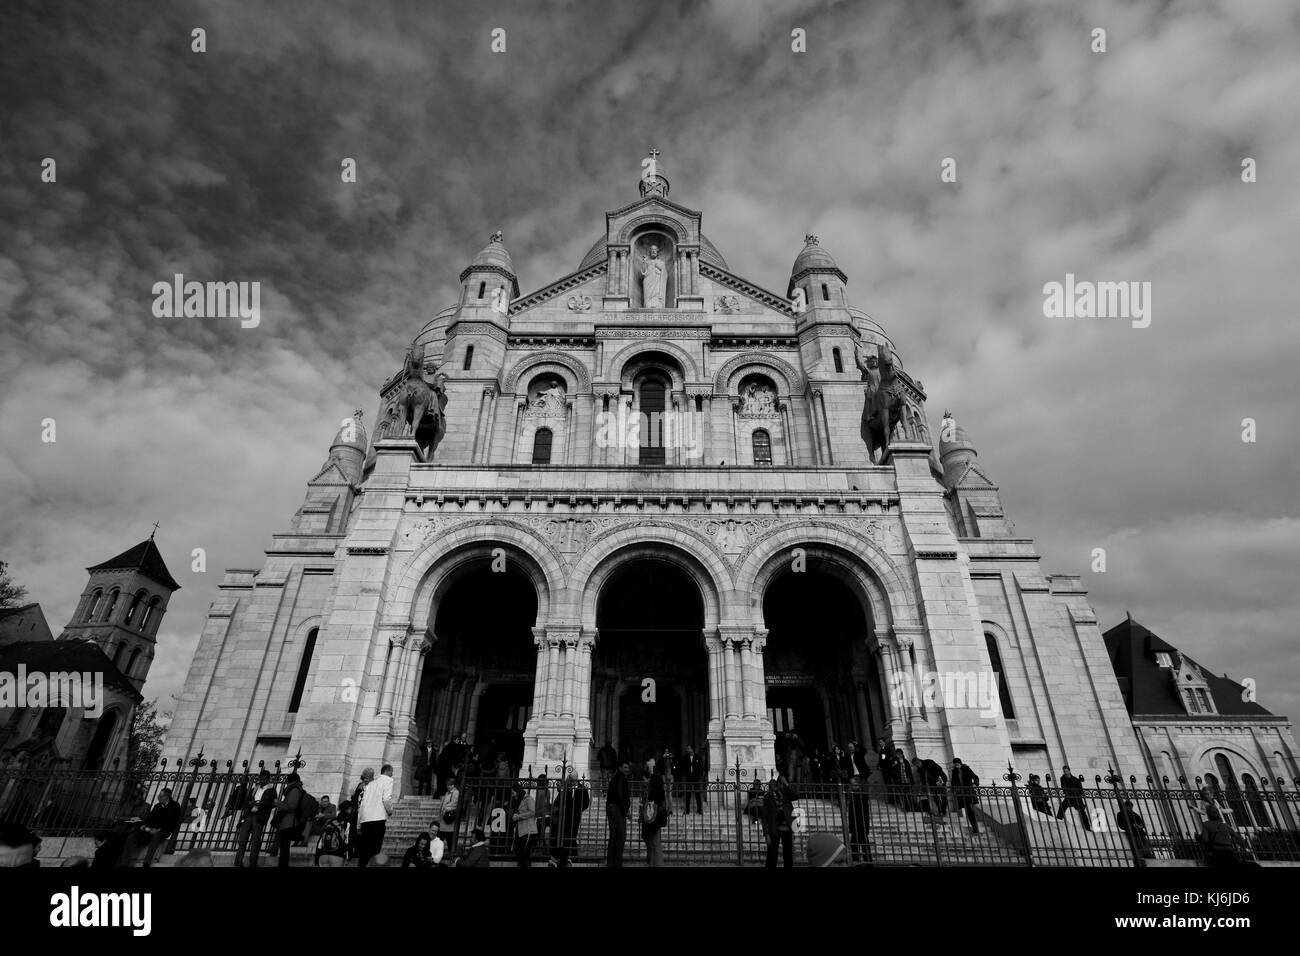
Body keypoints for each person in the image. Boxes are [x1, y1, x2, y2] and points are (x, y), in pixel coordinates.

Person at [233, 770, 278, 868]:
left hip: (259, 817)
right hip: (249, 815)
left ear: (268, 779)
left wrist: (260, 803)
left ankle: (253, 863)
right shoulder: (255, 788)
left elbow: (274, 804)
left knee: (255, 841)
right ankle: (238, 862)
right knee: (242, 840)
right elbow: (246, 801)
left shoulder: (272, 790)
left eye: (264, 779)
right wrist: (250, 803)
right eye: (261, 779)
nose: (262, 781)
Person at [357, 765, 395, 867]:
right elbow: (386, 799)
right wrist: (390, 811)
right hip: (378, 820)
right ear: (388, 771)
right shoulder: (388, 780)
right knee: (375, 851)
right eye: (392, 772)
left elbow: (362, 805)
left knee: (364, 851)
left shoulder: (371, 783)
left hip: (365, 820)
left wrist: (359, 824)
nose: (392, 774)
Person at [549, 772, 590, 867]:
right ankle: (567, 856)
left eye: (571, 778)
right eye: (569, 778)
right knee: (565, 835)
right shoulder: (567, 788)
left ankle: (573, 856)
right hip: (565, 816)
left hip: (575, 816)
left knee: (572, 835)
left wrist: (578, 809)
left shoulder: (582, 788)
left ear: (575, 779)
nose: (569, 780)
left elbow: (586, 803)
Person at [136, 787, 182, 867]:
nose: (158, 797)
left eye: (160, 796)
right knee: (134, 834)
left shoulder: (175, 806)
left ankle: (146, 862)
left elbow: (172, 822)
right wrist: (146, 826)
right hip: (152, 829)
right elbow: (150, 818)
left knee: (156, 836)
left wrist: (158, 829)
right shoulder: (157, 806)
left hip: (164, 830)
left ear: (166, 797)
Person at [763, 775, 798, 868]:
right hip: (774, 830)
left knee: (788, 855)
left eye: (784, 784)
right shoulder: (768, 797)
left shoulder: (786, 794)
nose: (783, 786)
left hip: (787, 829)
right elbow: (764, 816)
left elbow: (796, 795)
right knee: (772, 855)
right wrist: (766, 834)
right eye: (782, 784)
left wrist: (787, 784)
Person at [274, 772, 305, 868]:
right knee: (284, 846)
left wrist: (278, 803)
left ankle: (283, 865)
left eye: (288, 781)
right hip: (287, 821)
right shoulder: (294, 789)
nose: (286, 783)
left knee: (284, 846)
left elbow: (291, 806)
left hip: (289, 822)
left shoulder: (295, 790)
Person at [642, 761, 668, 867]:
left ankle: (657, 864)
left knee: (655, 844)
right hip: (657, 818)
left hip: (653, 819)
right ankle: (653, 863)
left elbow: (650, 805)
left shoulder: (653, 792)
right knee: (654, 843)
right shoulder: (661, 791)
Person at [606, 760, 631, 867]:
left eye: (628, 767)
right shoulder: (621, 778)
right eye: (625, 767)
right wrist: (625, 810)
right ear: (620, 768)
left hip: (611, 807)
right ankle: (616, 863)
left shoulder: (615, 778)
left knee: (614, 836)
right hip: (617, 809)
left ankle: (611, 862)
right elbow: (620, 794)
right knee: (621, 836)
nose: (627, 769)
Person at [1055, 766, 1092, 831]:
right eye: (1064, 771)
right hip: (1069, 797)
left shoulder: (1075, 779)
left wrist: (1075, 793)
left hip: (1077, 797)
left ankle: (1088, 827)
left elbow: (1080, 790)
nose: (1066, 773)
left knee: (1082, 812)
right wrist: (1069, 792)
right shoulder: (1063, 778)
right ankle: (1058, 821)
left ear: (1069, 771)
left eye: (1066, 771)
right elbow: (1064, 788)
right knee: (1062, 807)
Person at [912, 756, 948, 821]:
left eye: (917, 764)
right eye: (915, 765)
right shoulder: (919, 770)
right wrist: (924, 787)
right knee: (935, 797)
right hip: (932, 784)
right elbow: (922, 779)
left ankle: (944, 810)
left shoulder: (929, 762)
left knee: (943, 796)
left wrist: (938, 780)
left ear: (919, 761)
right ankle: (940, 811)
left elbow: (939, 769)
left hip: (940, 780)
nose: (917, 765)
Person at [846, 773, 872, 864]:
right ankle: (858, 861)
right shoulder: (855, 795)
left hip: (860, 825)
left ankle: (864, 861)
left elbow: (863, 813)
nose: (851, 787)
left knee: (862, 845)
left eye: (853, 785)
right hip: (856, 825)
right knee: (856, 845)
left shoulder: (861, 796)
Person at [314, 802, 351, 867]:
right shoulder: (348, 822)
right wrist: (348, 857)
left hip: (323, 855)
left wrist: (316, 858)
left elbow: (320, 840)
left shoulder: (330, 821)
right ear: (348, 809)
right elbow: (347, 841)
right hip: (337, 855)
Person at [510, 781, 537, 867]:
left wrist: (518, 816)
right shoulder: (517, 800)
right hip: (520, 829)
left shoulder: (528, 799)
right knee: (519, 852)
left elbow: (532, 812)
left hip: (528, 830)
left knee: (525, 853)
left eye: (513, 792)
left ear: (517, 791)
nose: (512, 794)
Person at [950, 758, 980, 834]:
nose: (956, 765)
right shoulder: (954, 771)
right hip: (961, 793)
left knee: (970, 809)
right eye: (955, 764)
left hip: (969, 792)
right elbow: (953, 782)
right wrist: (954, 790)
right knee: (968, 809)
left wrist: (976, 782)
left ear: (960, 763)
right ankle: (974, 826)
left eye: (957, 764)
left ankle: (975, 827)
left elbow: (975, 777)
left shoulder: (966, 768)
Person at [676, 745, 704, 814]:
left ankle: (699, 809)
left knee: (697, 794)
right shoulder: (685, 757)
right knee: (688, 794)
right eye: (687, 749)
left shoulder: (698, 757)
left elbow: (700, 767)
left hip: (696, 778)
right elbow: (682, 766)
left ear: (692, 749)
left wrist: (700, 776)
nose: (687, 750)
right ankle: (687, 810)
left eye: (688, 748)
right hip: (688, 778)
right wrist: (685, 774)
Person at [437, 777, 461, 851]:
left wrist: (446, 809)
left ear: (454, 785)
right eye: (447, 785)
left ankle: (451, 852)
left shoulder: (455, 792)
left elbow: (454, 803)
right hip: (444, 817)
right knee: (441, 836)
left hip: (448, 817)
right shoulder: (447, 792)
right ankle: (439, 850)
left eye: (450, 785)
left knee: (447, 836)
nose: (448, 786)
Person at [533, 775, 550, 861]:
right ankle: (544, 852)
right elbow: (547, 803)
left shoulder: (540, 791)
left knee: (539, 836)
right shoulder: (548, 791)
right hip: (547, 816)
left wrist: (535, 813)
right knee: (541, 836)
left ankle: (542, 853)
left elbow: (538, 805)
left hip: (540, 817)